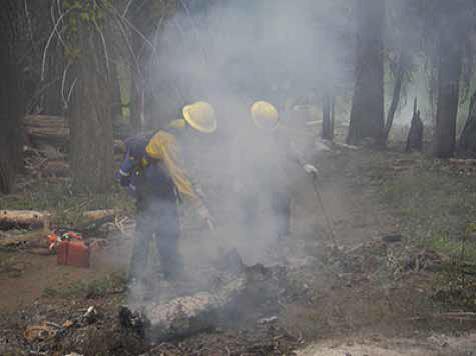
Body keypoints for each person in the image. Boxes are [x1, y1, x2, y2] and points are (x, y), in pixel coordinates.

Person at [117, 101, 216, 286]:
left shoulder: (181, 129)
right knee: (145, 231)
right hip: (147, 184)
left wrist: (197, 187)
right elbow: (179, 177)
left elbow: (185, 167)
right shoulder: (169, 140)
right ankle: (135, 278)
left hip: (163, 184)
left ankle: (172, 274)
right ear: (194, 126)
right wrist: (199, 207)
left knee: (170, 229)